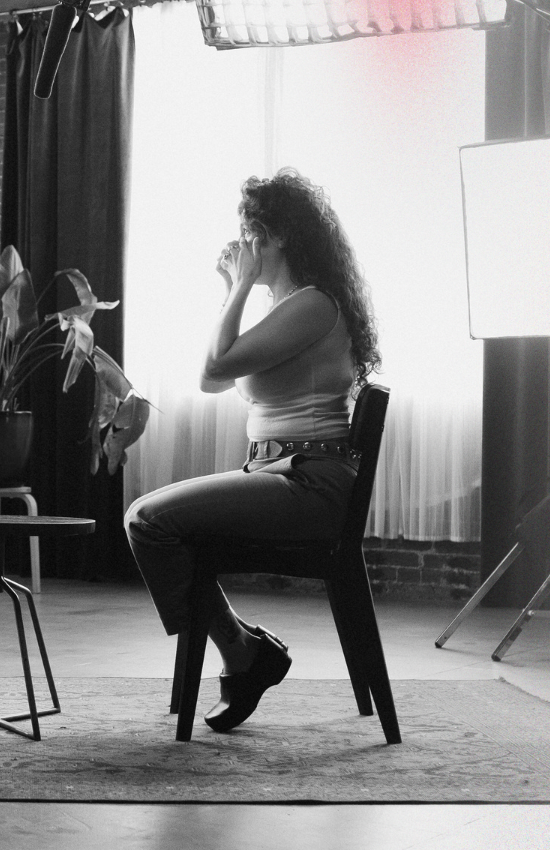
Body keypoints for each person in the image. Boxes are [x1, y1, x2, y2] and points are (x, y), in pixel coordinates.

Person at [125, 168, 380, 732]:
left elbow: (216, 366)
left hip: (309, 482)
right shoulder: (288, 305)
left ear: (278, 236)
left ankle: (243, 653)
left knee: (147, 520)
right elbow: (213, 380)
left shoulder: (314, 305)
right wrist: (231, 291)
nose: (242, 246)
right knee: (158, 523)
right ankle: (245, 652)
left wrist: (239, 286)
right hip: (280, 469)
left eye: (250, 234)